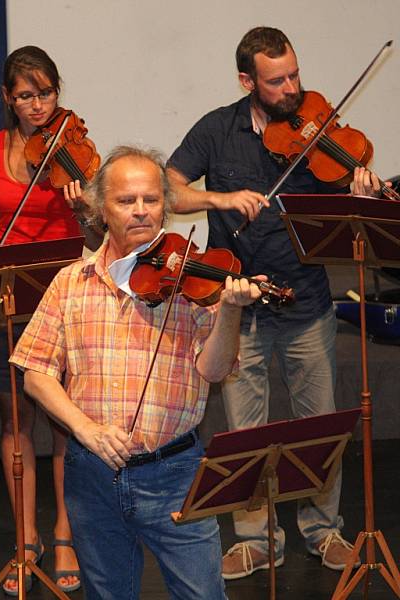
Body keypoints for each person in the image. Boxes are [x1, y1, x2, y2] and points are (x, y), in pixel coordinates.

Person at [165, 26, 379, 579]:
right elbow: (171, 188)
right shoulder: (218, 128)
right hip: (239, 309)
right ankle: (258, 538)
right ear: (247, 81)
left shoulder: (320, 130)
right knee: (246, 434)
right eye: (276, 80)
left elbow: (341, 213)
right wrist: (220, 195)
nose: (292, 90)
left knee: (319, 426)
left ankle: (324, 529)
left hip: (307, 303)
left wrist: (361, 194)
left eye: (294, 75)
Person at [10, 146, 263, 599]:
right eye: (127, 201)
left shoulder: (194, 282)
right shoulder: (71, 282)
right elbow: (35, 373)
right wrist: (85, 429)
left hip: (174, 472)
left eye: (151, 199)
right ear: (100, 209)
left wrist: (229, 311)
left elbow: (215, 369)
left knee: (203, 595)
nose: (142, 211)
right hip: (91, 476)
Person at [0, 45, 101, 595]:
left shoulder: (77, 153)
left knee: (62, 426)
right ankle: (24, 539)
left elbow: (99, 241)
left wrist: (83, 210)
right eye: (27, 95)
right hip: (5, 299)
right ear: (8, 99)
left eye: (47, 92)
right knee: (16, 426)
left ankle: (63, 535)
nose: (38, 105)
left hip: (61, 299)